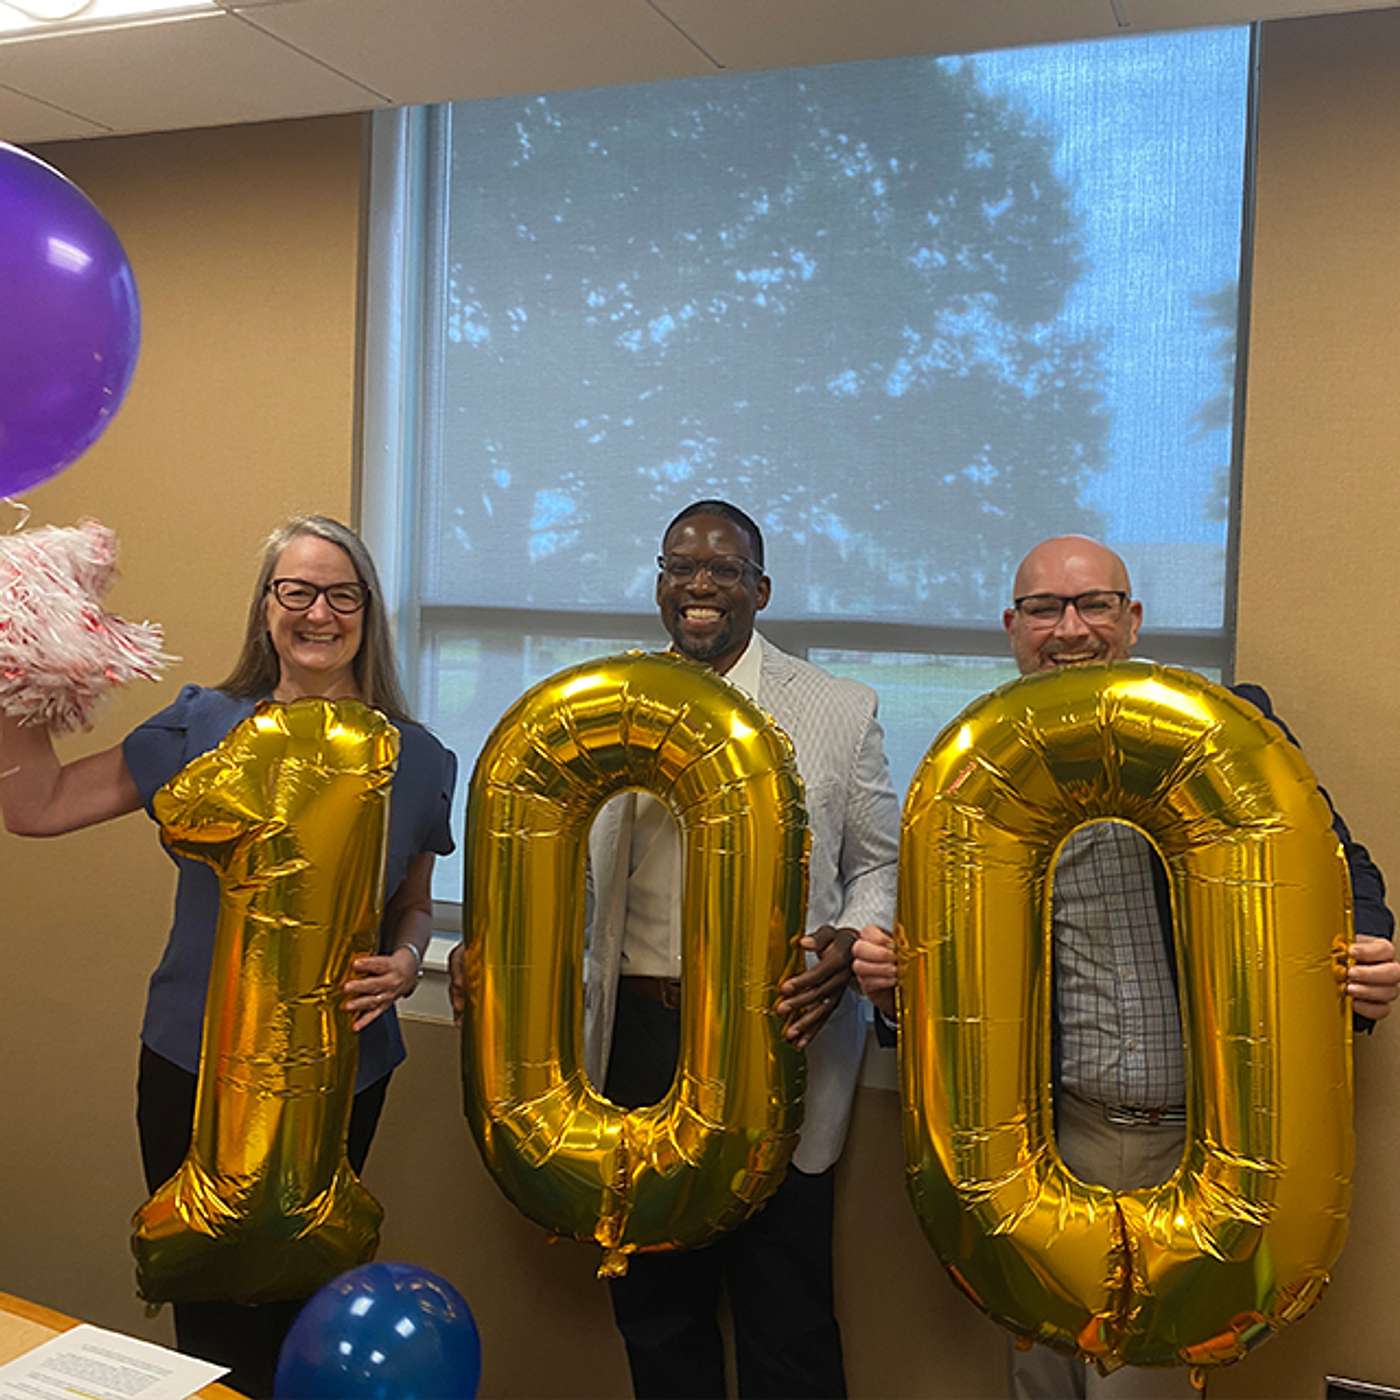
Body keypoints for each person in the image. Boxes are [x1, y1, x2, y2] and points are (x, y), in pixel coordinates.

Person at [853, 534, 1398, 1400]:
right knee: (1042, 1378)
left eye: (1093, 604)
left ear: (1132, 619)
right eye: (1044, 609)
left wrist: (1364, 957)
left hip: (1197, 1145)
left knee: (1132, 1391)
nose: (1070, 630)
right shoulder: (977, 771)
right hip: (1045, 1138)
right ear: (1012, 627)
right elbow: (936, 962)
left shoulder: (1225, 727)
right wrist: (892, 987)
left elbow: (1346, 873)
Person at [0, 515, 458, 1398]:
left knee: (307, 1309)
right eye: (296, 590)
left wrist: (405, 964)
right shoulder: (200, 725)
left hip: (344, 1075)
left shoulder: (420, 756)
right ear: (266, 608)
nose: (318, 612)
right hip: (192, 1066)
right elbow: (40, 805)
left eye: (340, 593)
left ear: (367, 610)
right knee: (207, 1318)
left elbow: (410, 905)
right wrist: (19, 666)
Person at [451, 499, 899, 1398]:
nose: (701, 586)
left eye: (725, 569)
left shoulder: (840, 709)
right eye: (680, 566)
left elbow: (878, 865)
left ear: (760, 590)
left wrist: (854, 938)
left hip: (781, 1038)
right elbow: (556, 874)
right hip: (637, 1040)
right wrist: (488, 949)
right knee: (658, 1315)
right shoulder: (605, 707)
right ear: (660, 584)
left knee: (789, 1319)